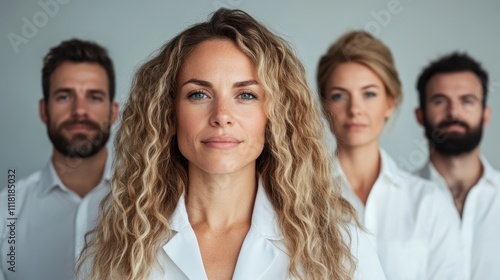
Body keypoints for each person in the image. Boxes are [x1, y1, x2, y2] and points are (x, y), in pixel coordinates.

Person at [77, 9, 385, 280]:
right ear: (168, 115)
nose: (222, 116)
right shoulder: (116, 242)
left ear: (274, 117)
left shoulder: (341, 244)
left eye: (246, 95)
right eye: (199, 94)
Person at [316, 30, 461, 280]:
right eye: (339, 95)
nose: (355, 110)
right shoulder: (300, 198)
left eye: (369, 94)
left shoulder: (429, 203)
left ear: (389, 103)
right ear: (323, 105)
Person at [0, 39, 118, 280]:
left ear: (113, 112)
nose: (80, 111)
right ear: (44, 110)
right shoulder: (6, 212)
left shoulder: (153, 201)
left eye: (94, 97)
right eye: (64, 96)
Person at [415, 52, 500, 279]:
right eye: (440, 101)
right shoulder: (397, 199)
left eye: (467, 101)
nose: (453, 112)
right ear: (420, 115)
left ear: (485, 115)